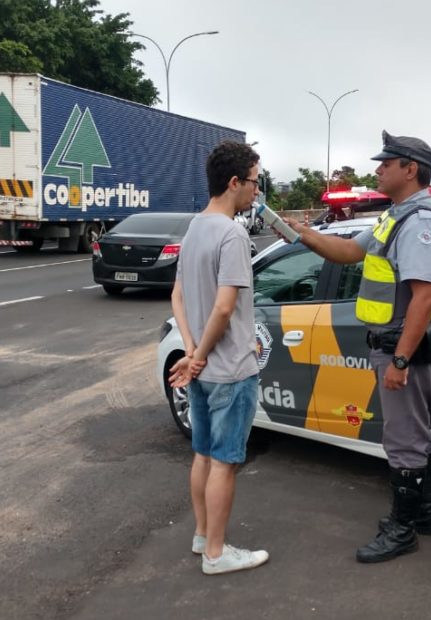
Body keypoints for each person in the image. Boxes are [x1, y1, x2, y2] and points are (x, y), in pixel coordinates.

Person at [281, 130, 431, 563]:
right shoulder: (395, 216)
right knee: (413, 432)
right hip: (396, 345)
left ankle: (402, 530)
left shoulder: (419, 223)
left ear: (410, 170)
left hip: (405, 349)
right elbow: (345, 251)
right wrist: (302, 234)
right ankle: (426, 513)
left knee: (403, 441)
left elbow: (424, 296)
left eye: (386, 163)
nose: (377, 170)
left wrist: (400, 359)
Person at [168, 140, 269, 575]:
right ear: (234, 182)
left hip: (205, 369)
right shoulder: (232, 233)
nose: (256, 190)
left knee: (203, 455)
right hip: (229, 370)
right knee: (225, 462)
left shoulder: (194, 228)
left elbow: (178, 296)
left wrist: (191, 352)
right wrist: (201, 355)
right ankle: (216, 553)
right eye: (254, 181)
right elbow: (225, 307)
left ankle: (201, 536)